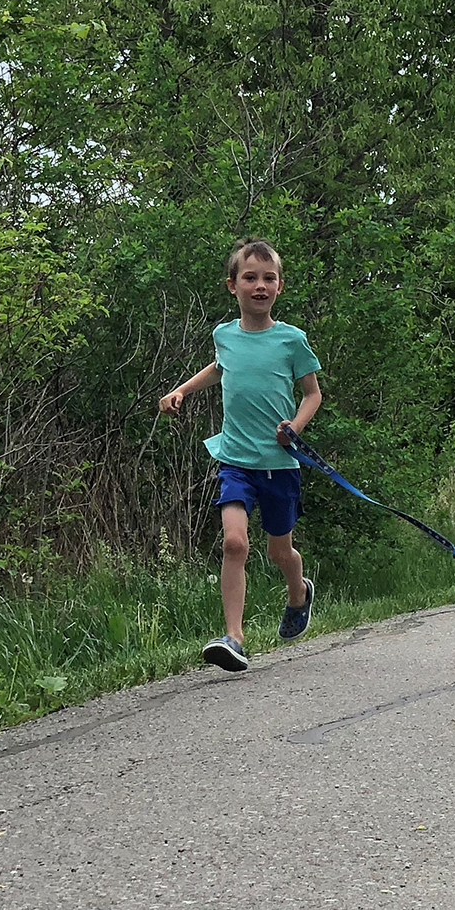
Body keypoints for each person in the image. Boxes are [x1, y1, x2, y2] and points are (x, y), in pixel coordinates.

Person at [159, 238, 322, 671]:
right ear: (233, 285)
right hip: (235, 459)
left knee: (280, 551)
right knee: (234, 543)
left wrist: (295, 427)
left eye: (269, 278)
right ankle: (233, 637)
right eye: (250, 277)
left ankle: (298, 592)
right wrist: (181, 390)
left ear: (280, 286)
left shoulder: (291, 340)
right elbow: (220, 367)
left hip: (279, 464)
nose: (260, 285)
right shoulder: (224, 335)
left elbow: (312, 394)